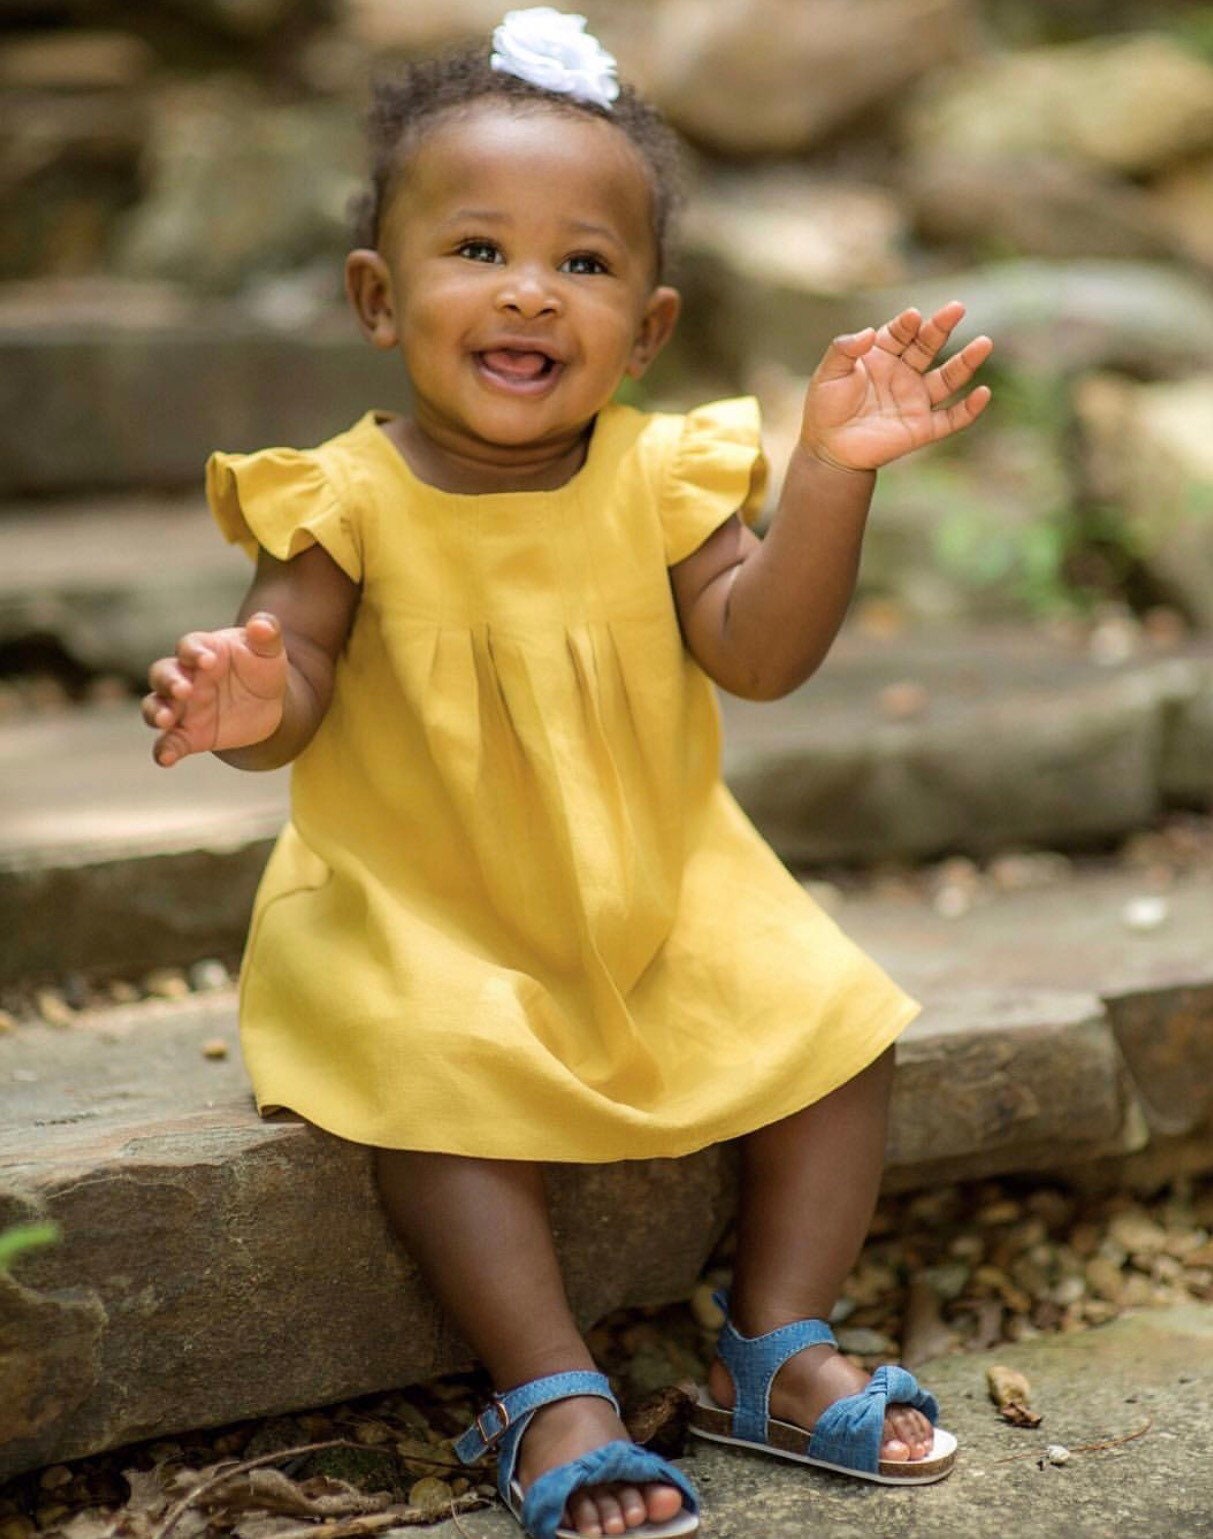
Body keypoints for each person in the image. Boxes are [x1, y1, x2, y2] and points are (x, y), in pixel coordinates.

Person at [142, 9, 993, 1538]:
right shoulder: (339, 498)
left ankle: (774, 1343)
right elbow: (295, 689)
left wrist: (828, 474)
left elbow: (759, 654)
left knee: (838, 1024)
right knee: (436, 1076)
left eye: (583, 263)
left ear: (647, 329)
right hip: (422, 906)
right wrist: (252, 698)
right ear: (377, 295)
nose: (530, 288)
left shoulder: (664, 475)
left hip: (660, 883)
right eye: (477, 248)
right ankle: (549, 1388)